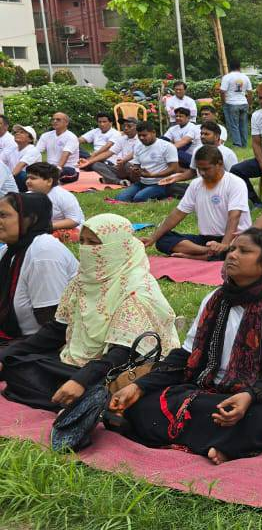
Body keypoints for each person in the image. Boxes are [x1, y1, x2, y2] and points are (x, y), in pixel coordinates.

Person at [109, 229, 262, 465]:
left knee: (256, 418)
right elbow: (186, 356)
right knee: (147, 403)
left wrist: (249, 396)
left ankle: (223, 442)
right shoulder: (215, 299)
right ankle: (220, 444)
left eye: (245, 251)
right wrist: (140, 386)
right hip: (215, 387)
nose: (233, 255)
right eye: (232, 249)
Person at [0, 214, 179, 412]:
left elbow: (123, 353)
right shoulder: (82, 281)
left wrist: (81, 380)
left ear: (118, 246)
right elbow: (56, 330)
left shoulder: (137, 290)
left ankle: (84, 400)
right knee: (16, 364)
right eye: (83, 242)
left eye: (94, 243)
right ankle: (78, 401)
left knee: (97, 387)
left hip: (120, 368)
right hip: (74, 361)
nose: (86, 249)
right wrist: (6, 355)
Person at [142, 146, 252, 260]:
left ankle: (199, 255)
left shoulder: (235, 183)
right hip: (206, 241)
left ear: (219, 164)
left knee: (236, 250)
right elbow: (178, 213)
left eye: (206, 169)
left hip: (234, 238)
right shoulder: (196, 184)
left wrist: (224, 245)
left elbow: (234, 216)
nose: (202, 173)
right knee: (163, 240)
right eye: (199, 169)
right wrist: (152, 238)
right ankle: (206, 253)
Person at [0, 194, 78, 341]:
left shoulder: (44, 252)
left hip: (41, 342)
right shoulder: (8, 251)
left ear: (31, 219)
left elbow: (55, 327)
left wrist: (7, 356)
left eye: (3, 215)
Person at [114, 122, 180, 202]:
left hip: (162, 183)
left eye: (144, 135)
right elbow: (136, 166)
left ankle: (166, 195)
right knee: (120, 198)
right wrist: (135, 172)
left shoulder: (167, 146)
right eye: (139, 136)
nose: (141, 138)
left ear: (153, 133)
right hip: (142, 182)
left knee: (139, 198)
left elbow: (174, 169)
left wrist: (152, 175)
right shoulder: (138, 147)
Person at [159, 121, 239, 185]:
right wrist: (175, 178)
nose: (202, 136)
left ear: (217, 136)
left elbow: (235, 177)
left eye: (206, 134)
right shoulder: (198, 150)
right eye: (201, 134)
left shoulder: (227, 153)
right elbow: (193, 172)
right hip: (202, 186)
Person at [23, 162, 83, 242]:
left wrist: (47, 226)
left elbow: (74, 220)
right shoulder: (27, 196)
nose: (28, 181)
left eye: (33, 178)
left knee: (58, 236)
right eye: (27, 178)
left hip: (67, 228)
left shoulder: (63, 196)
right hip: (40, 228)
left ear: (49, 181)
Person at [77, 117, 136, 185]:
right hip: (120, 167)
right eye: (124, 126)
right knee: (96, 164)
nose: (125, 128)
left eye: (129, 126)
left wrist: (123, 161)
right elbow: (109, 153)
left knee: (127, 164)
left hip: (135, 169)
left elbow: (135, 153)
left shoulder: (140, 138)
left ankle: (111, 178)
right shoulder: (122, 139)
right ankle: (119, 181)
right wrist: (89, 161)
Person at [36, 113, 79, 183]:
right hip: (50, 167)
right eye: (53, 119)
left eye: (58, 120)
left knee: (61, 172)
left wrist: (57, 170)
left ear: (66, 123)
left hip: (68, 169)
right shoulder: (45, 135)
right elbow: (36, 152)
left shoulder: (71, 137)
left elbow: (65, 155)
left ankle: (49, 180)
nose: (55, 121)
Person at [219, 60, 252, 147]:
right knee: (243, 124)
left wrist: (223, 102)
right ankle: (244, 144)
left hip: (231, 103)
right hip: (243, 103)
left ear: (230, 67)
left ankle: (237, 144)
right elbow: (250, 91)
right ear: (239, 67)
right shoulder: (245, 77)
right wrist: (249, 103)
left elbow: (222, 91)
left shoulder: (227, 77)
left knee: (234, 125)